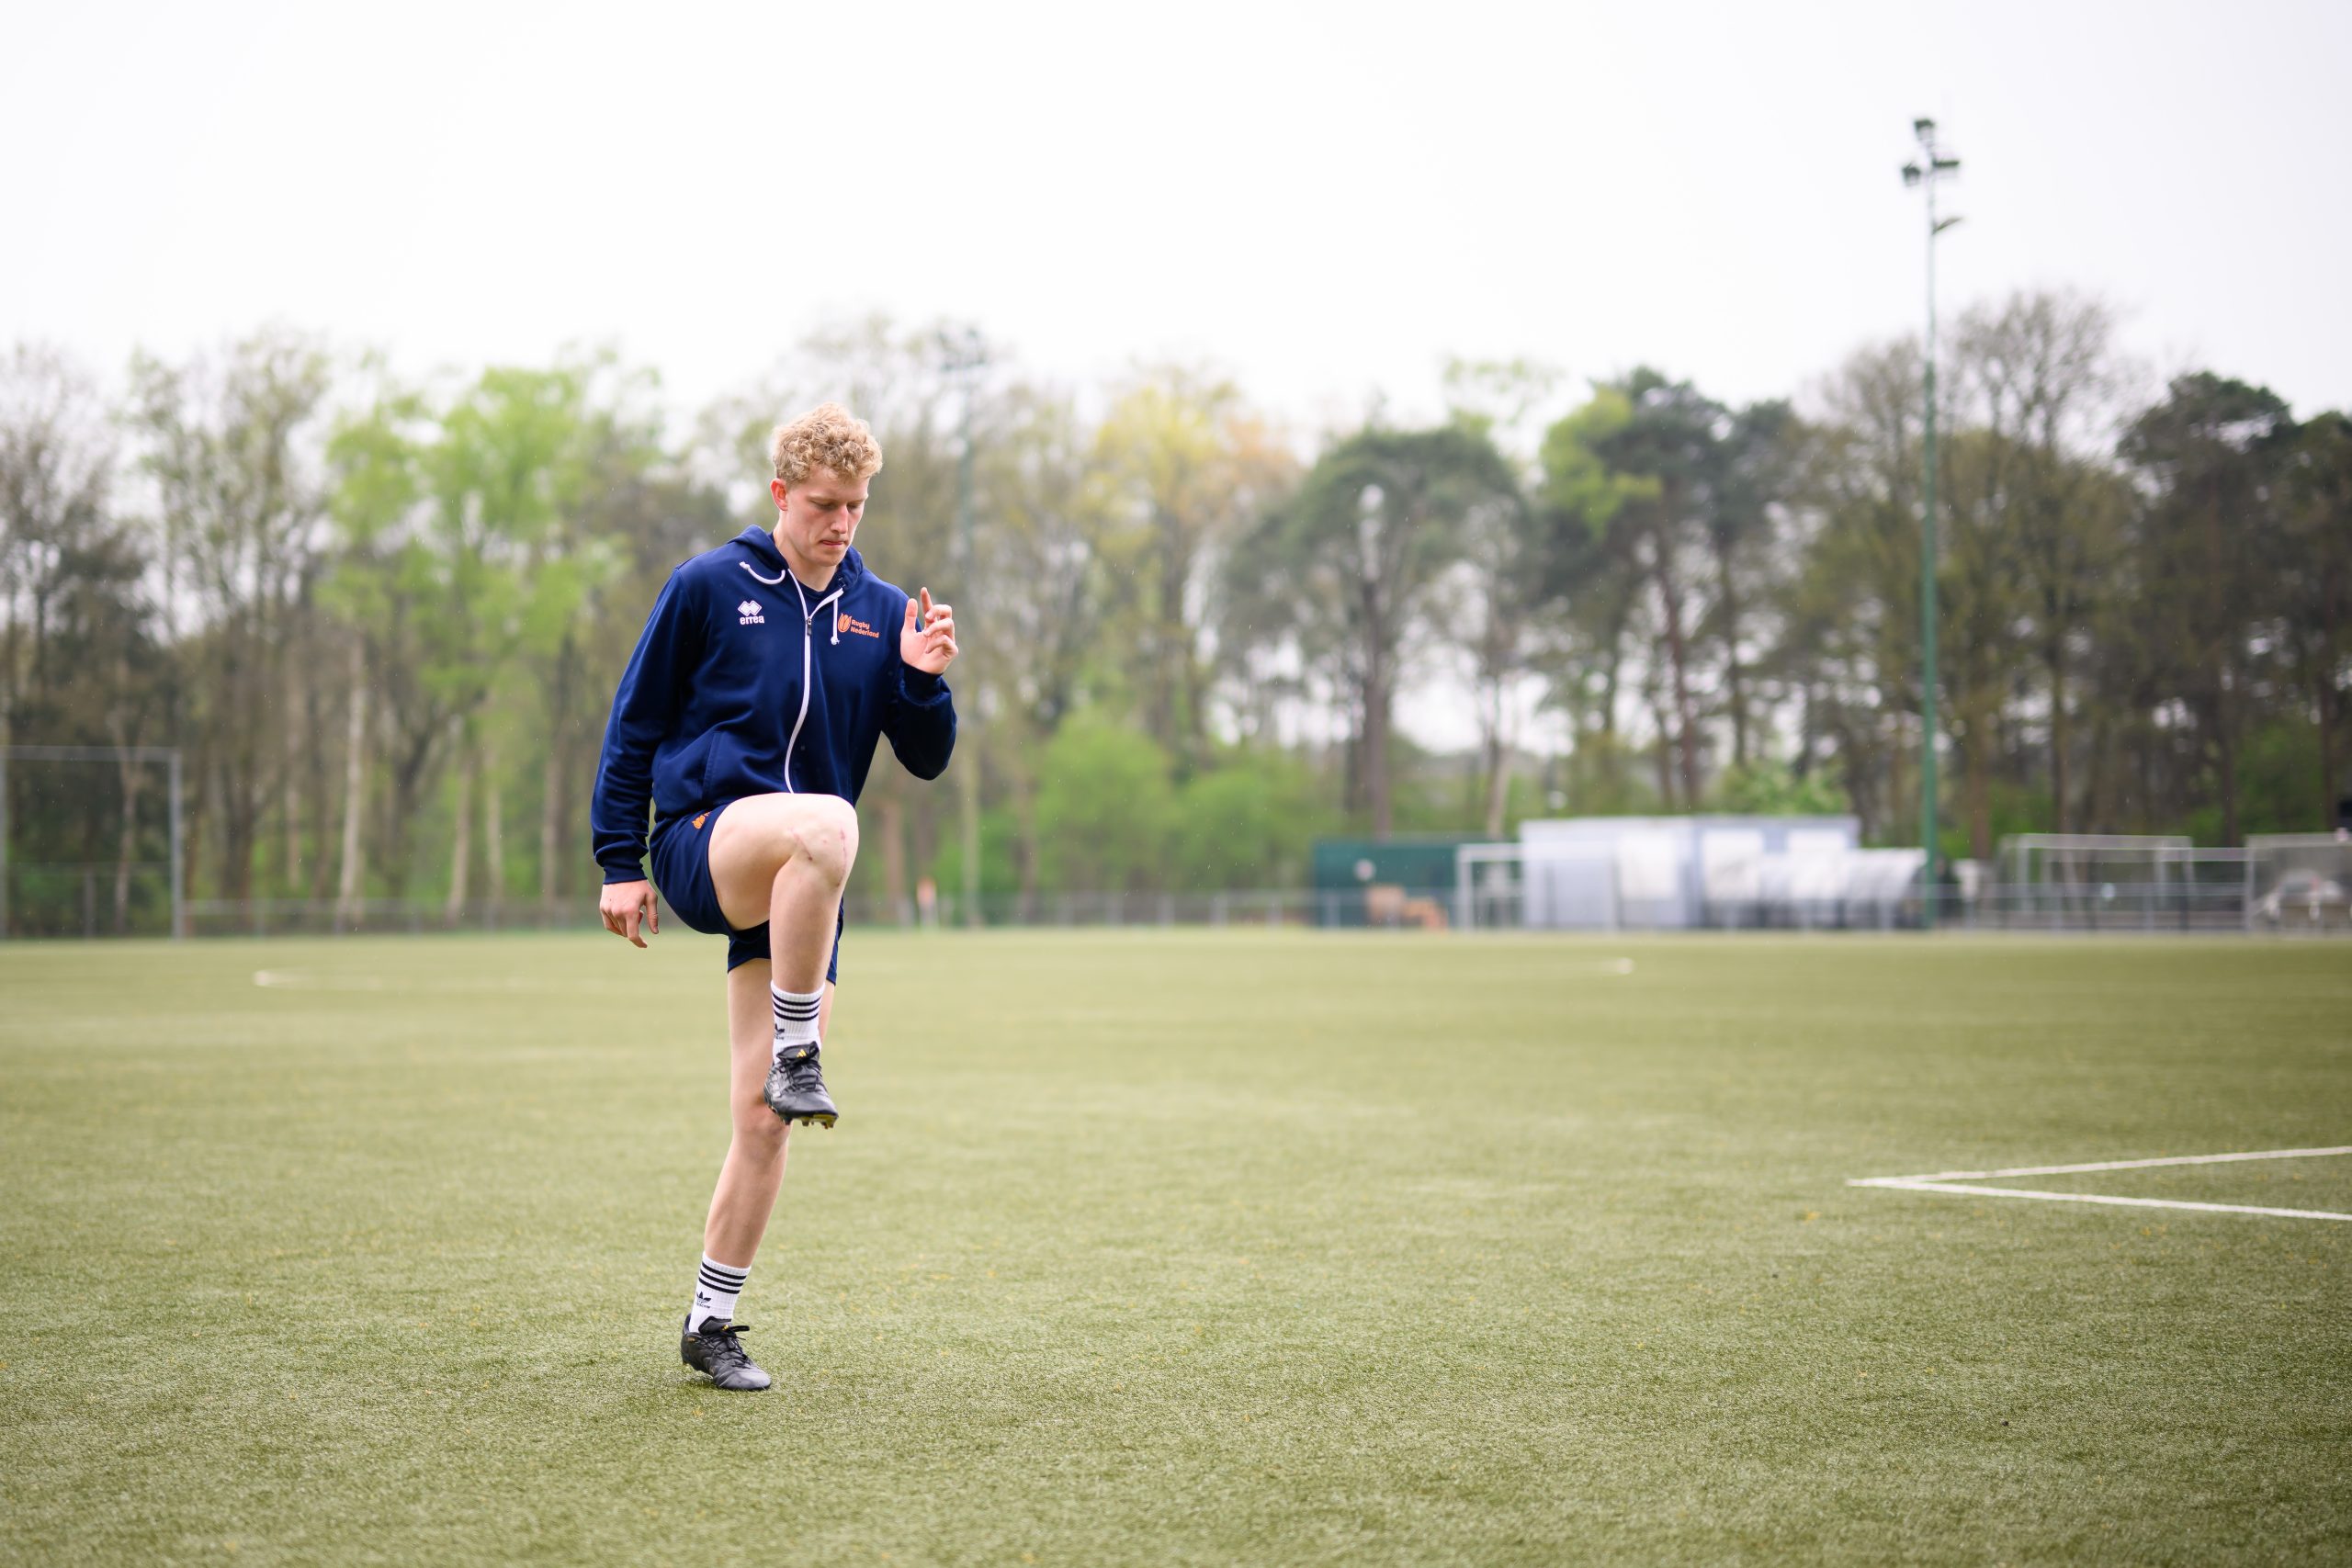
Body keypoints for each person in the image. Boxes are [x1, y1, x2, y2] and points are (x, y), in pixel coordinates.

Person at [590, 402, 958, 1392]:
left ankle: (711, 1323)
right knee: (829, 820)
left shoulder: (882, 611)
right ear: (781, 494)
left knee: (763, 1119)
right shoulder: (710, 586)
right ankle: (804, 1045)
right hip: (706, 842)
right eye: (826, 504)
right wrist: (618, 860)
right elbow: (634, 726)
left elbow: (923, 760)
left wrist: (922, 683)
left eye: (858, 506)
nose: (842, 523)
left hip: (804, 897)